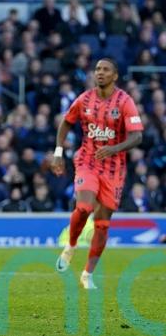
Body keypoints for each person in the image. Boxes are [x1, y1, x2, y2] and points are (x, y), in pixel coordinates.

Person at [53, 58, 143, 289]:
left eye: (106, 70)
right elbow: (66, 123)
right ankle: (71, 245)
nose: (100, 73)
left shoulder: (125, 102)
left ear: (115, 76)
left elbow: (137, 136)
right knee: (83, 207)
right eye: (97, 69)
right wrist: (58, 152)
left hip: (114, 168)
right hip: (88, 161)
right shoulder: (84, 100)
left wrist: (113, 148)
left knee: (102, 224)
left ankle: (87, 274)